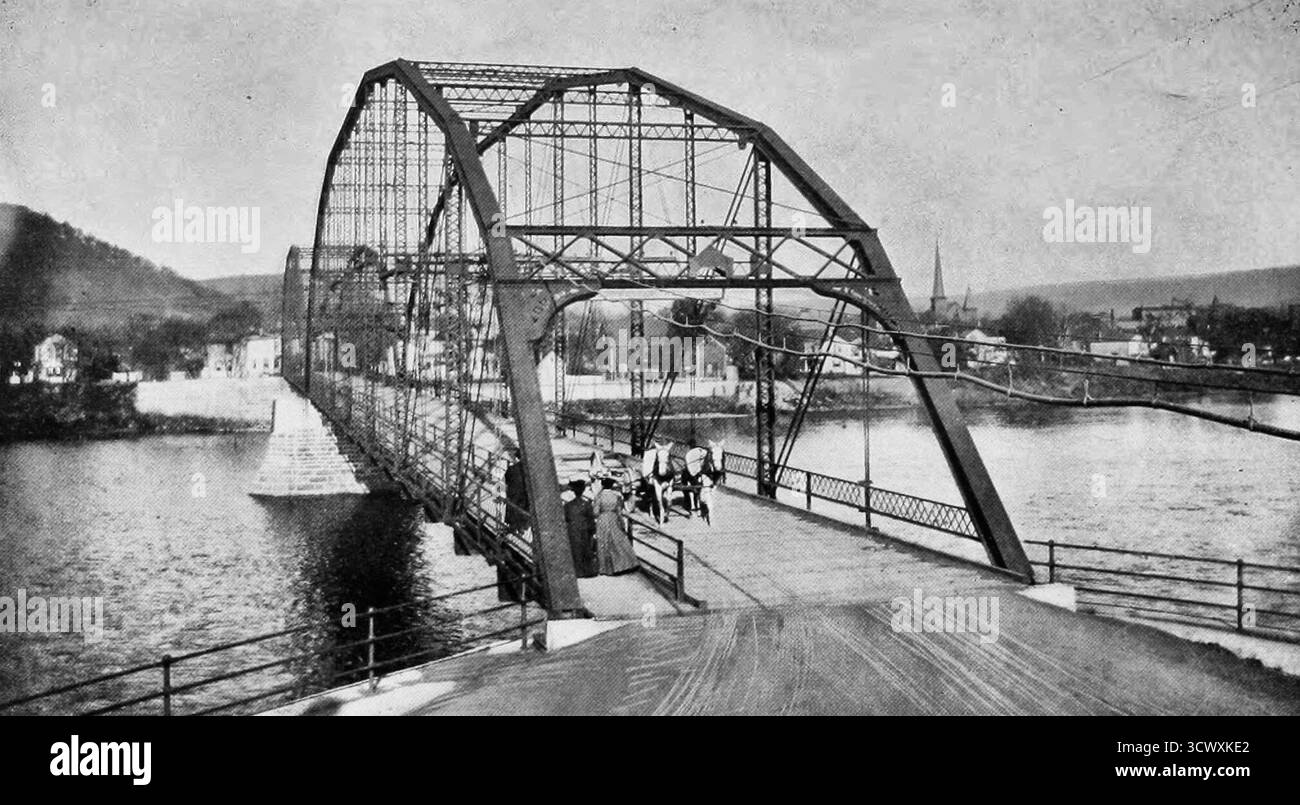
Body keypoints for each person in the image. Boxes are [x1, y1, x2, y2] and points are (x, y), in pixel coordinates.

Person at [593, 477, 639, 575]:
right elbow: (619, 511)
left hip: (603, 519)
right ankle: (623, 565)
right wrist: (621, 522)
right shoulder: (616, 496)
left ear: (602, 485)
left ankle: (605, 568)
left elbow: (595, 512)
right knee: (617, 541)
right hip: (614, 518)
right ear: (612, 486)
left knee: (604, 542)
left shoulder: (599, 496)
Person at [563, 479, 598, 578]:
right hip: (584, 529)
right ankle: (586, 571)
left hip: (572, 529)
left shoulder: (568, 505)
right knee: (585, 549)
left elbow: (565, 518)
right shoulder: (586, 504)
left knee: (574, 550)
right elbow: (591, 518)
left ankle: (576, 571)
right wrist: (592, 529)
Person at [503, 451, 530, 534]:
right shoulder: (529, 470)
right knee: (523, 510)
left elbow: (506, 480)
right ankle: (521, 528)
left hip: (513, 493)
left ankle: (513, 527)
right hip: (525, 494)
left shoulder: (512, 468)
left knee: (512, 510)